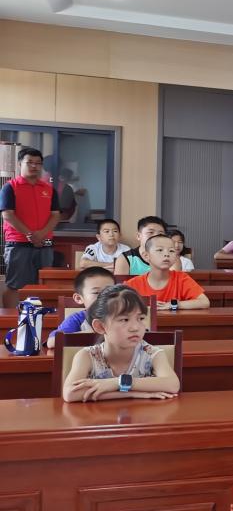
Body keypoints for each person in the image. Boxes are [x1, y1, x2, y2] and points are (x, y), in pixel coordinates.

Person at [61, 285, 180, 402]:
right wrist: (133, 394)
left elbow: (172, 384)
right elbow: (70, 393)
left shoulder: (152, 353)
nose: (135, 327)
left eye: (140, 318)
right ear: (100, 326)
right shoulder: (87, 356)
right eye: (124, 320)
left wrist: (117, 383)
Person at [1, 146, 61, 307]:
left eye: (38, 163)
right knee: (15, 286)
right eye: (30, 162)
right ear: (20, 163)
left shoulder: (49, 189)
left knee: (44, 285)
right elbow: (7, 215)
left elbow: (56, 215)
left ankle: (40, 319)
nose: (34, 166)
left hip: (45, 243)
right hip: (18, 244)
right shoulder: (10, 187)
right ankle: (12, 319)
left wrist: (41, 234)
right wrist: (30, 235)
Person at [124, 235, 210, 310]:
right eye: (160, 250)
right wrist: (144, 304)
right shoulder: (133, 284)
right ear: (146, 256)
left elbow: (204, 302)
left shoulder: (181, 278)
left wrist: (174, 304)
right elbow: (120, 304)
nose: (167, 254)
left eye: (171, 251)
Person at [47, 266, 115, 347]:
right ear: (79, 298)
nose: (104, 296)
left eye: (109, 291)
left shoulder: (123, 316)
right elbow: (52, 342)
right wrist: (87, 336)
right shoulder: (78, 319)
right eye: (96, 292)